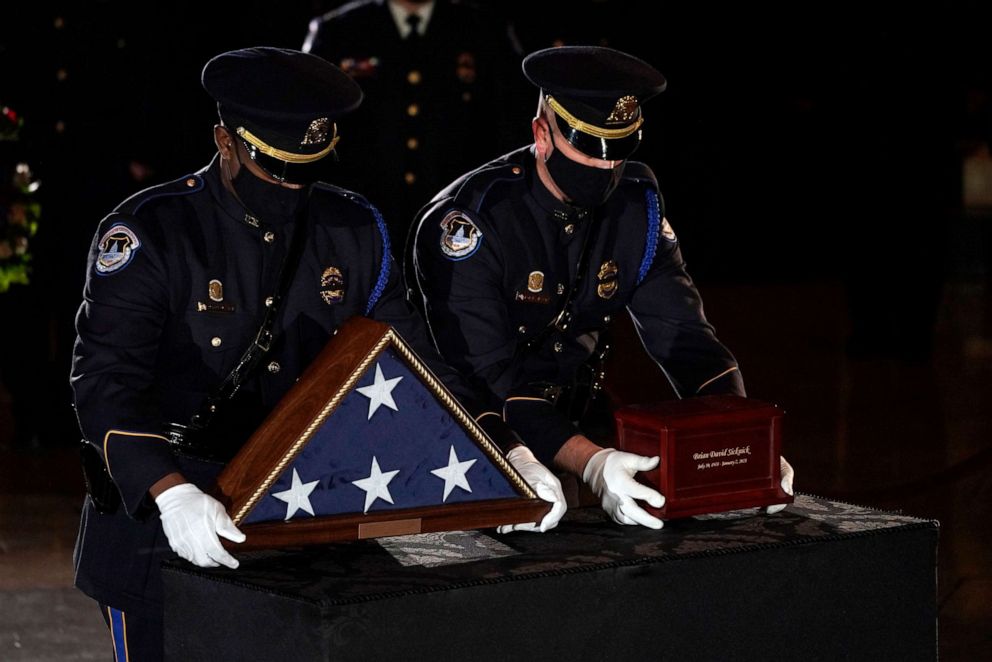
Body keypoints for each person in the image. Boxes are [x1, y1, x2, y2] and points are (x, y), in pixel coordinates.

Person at [70, 47, 564, 662]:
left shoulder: (350, 228)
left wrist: (505, 449)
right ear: (225, 141)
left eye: (307, 169)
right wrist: (168, 491)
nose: (291, 188)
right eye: (275, 168)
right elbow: (105, 383)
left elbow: (417, 362)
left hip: (296, 511)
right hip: (168, 514)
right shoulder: (153, 232)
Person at [409, 46, 795, 530]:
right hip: (475, 431)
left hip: (578, 414)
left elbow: (684, 337)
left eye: (617, 153)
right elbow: (486, 372)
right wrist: (589, 460)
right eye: (586, 149)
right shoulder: (475, 219)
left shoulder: (637, 205)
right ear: (542, 134)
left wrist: (743, 436)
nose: (603, 169)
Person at [302, 0, 531, 246]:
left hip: (456, 216)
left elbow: (510, 130)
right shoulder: (338, 31)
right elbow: (310, 128)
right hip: (360, 218)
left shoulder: (483, 30)